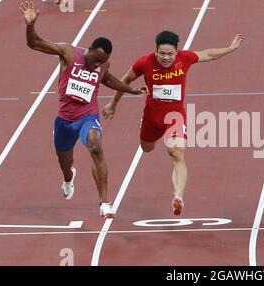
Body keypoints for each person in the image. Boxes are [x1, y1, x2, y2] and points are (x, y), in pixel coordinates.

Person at [20, 1, 143, 218]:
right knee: (64, 161)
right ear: (90, 50)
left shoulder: (103, 64)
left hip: (88, 115)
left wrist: (129, 90)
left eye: (102, 62)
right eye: (96, 60)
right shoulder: (68, 53)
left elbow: (107, 79)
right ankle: (69, 177)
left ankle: (104, 203)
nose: (98, 65)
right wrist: (30, 25)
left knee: (96, 147)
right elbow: (35, 43)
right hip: (65, 120)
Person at [102, 31, 244, 215]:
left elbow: (208, 54)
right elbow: (125, 80)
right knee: (147, 147)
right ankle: (149, 132)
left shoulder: (185, 58)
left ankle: (178, 197)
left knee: (177, 153)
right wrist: (113, 104)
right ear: (156, 51)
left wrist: (230, 48)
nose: (166, 58)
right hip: (151, 116)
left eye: (170, 54)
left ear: (177, 52)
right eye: (162, 53)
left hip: (174, 115)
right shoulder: (144, 62)